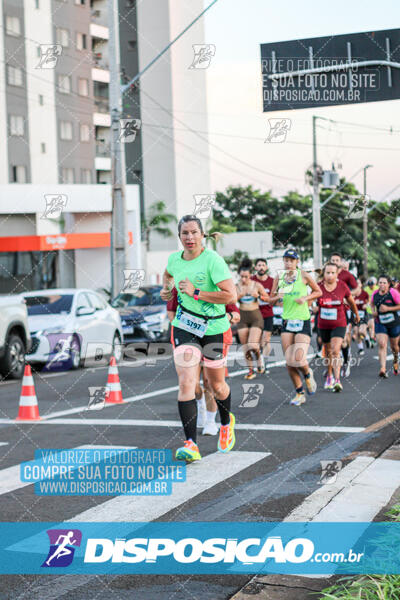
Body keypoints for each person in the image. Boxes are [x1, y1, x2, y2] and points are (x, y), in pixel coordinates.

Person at [161, 215, 237, 462]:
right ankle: (191, 444)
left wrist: (196, 292)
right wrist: (167, 289)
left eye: (194, 232)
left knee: (216, 385)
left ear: (202, 235)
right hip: (185, 326)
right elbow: (168, 273)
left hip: (214, 328)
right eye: (185, 233)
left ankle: (226, 422)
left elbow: (229, 296)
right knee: (186, 383)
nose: (189, 237)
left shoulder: (213, 260)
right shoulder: (174, 259)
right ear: (179, 236)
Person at [166, 286, 240, 435]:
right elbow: (171, 313)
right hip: (188, 336)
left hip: (214, 335)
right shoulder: (181, 285)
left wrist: (224, 318)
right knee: (190, 383)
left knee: (210, 382)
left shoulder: (217, 285)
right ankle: (200, 404)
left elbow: (235, 314)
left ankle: (211, 421)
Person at [269, 249, 322, 406]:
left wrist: (305, 298)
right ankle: (299, 393)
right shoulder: (279, 277)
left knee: (299, 358)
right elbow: (270, 300)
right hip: (287, 321)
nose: (288, 263)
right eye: (286, 260)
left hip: (302, 320)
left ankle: (307, 374)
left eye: (291, 260)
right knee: (289, 362)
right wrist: (277, 297)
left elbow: (318, 291)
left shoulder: (304, 275)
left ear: (297, 262)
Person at [317, 262, 359, 392]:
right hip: (323, 324)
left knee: (335, 350)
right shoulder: (318, 287)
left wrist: (356, 314)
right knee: (328, 352)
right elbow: (310, 300)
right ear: (323, 274)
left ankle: (337, 380)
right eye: (327, 273)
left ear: (337, 274)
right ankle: (329, 375)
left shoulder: (342, 286)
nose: (330, 275)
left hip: (339, 323)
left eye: (332, 273)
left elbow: (351, 301)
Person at [236, 258, 270, 379]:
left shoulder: (256, 285)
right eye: (242, 277)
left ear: (250, 275)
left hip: (256, 316)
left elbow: (268, 299)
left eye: (246, 276)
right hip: (243, 317)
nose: (244, 279)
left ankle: (259, 358)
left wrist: (259, 296)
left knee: (253, 345)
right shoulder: (236, 287)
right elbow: (229, 301)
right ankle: (250, 370)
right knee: (245, 347)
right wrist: (238, 296)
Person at [330, 253, 358, 377]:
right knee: (330, 341)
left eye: (337, 260)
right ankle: (332, 366)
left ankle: (346, 360)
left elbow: (357, 290)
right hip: (330, 312)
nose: (335, 262)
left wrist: (347, 296)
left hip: (346, 311)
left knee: (345, 339)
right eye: (333, 260)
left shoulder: (347, 275)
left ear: (341, 262)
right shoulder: (327, 274)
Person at [371, 275, 400, 378]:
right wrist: (374, 312)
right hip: (380, 322)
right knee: (382, 344)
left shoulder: (393, 293)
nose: (382, 285)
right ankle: (383, 368)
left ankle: (396, 362)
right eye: (380, 283)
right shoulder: (375, 294)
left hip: (394, 323)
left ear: (388, 284)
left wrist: (388, 308)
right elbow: (372, 304)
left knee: (394, 347)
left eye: (384, 283)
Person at [251, 258, 275, 373]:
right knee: (255, 343)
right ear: (255, 268)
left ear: (266, 268)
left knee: (265, 340)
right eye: (259, 265)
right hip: (254, 314)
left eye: (263, 265)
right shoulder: (251, 281)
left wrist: (262, 297)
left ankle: (264, 363)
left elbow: (274, 298)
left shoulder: (272, 281)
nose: (261, 267)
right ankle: (259, 360)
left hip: (268, 314)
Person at [351, 278, 369, 356]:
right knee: (356, 332)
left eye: (359, 283)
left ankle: (367, 337)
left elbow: (369, 302)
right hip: (355, 316)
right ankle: (361, 348)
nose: (357, 285)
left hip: (363, 315)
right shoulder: (352, 294)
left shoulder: (365, 293)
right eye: (356, 283)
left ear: (361, 285)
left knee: (361, 331)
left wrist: (366, 305)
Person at [364, 276, 378, 347]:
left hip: (378, 310)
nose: (371, 286)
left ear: (375, 284)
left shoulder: (378, 288)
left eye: (372, 284)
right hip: (369, 311)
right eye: (369, 285)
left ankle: (373, 337)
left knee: (375, 326)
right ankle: (372, 339)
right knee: (371, 325)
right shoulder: (366, 289)